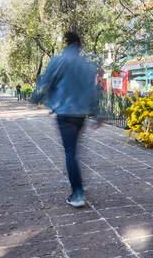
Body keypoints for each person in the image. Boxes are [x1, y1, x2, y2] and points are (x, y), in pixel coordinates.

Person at [29, 31, 99, 207]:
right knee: (74, 150)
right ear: (79, 45)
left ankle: (77, 193)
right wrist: (98, 114)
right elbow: (92, 90)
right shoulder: (86, 64)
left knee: (70, 152)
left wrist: (35, 99)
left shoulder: (58, 60)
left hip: (64, 112)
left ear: (66, 43)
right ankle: (74, 181)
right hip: (81, 114)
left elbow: (46, 83)